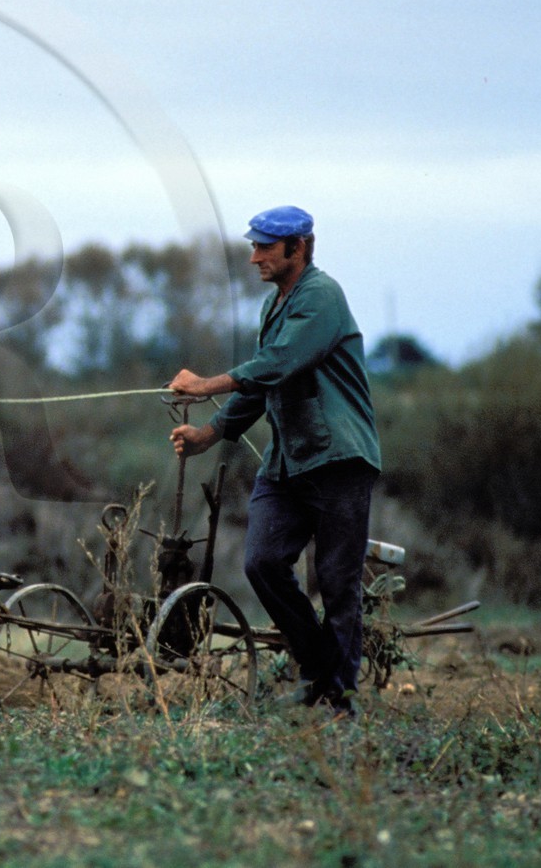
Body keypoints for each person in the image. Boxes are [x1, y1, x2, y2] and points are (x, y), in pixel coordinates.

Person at [166, 205, 381, 718]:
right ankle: (319, 671)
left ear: (298, 248)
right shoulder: (275, 305)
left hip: (337, 460)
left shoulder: (322, 296)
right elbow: (265, 384)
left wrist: (204, 385)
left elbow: (278, 364)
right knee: (261, 562)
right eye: (254, 245)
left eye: (264, 246)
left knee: (337, 583)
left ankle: (339, 701)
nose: (254, 257)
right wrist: (208, 435)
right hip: (288, 464)